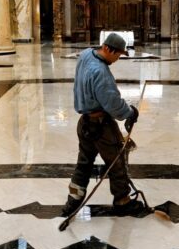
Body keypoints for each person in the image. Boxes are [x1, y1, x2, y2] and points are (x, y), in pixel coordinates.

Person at [61, 33, 144, 217]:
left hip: (84, 124)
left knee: (84, 163)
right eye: (117, 55)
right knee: (117, 162)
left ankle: (72, 201)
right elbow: (113, 105)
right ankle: (122, 201)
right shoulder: (101, 73)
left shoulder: (86, 55)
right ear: (107, 48)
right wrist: (130, 113)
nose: (117, 59)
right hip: (101, 127)